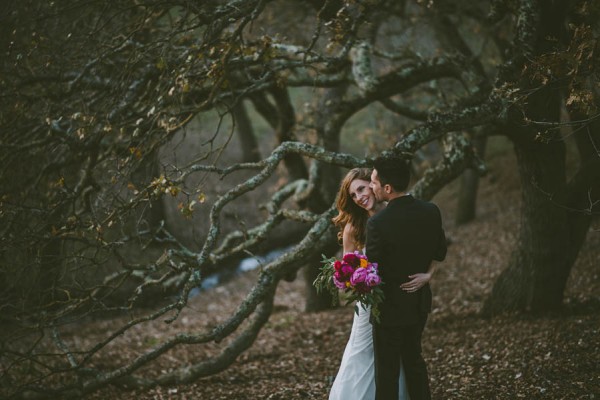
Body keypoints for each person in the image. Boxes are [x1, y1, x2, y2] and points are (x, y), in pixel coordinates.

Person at [329, 168, 431, 400]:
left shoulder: (397, 214)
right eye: (353, 195)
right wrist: (355, 280)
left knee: (402, 355)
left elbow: (422, 251)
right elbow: (346, 271)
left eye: (362, 188)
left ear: (375, 185)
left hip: (400, 298)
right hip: (370, 303)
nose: (359, 197)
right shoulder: (353, 228)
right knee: (362, 351)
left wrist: (428, 274)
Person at [366, 156, 447, 400]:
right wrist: (428, 275)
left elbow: (372, 270)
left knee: (387, 371)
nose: (371, 187)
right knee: (414, 361)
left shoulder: (377, 223)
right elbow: (440, 252)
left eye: (373, 182)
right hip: (418, 302)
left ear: (387, 189)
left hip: (388, 309)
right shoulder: (431, 211)